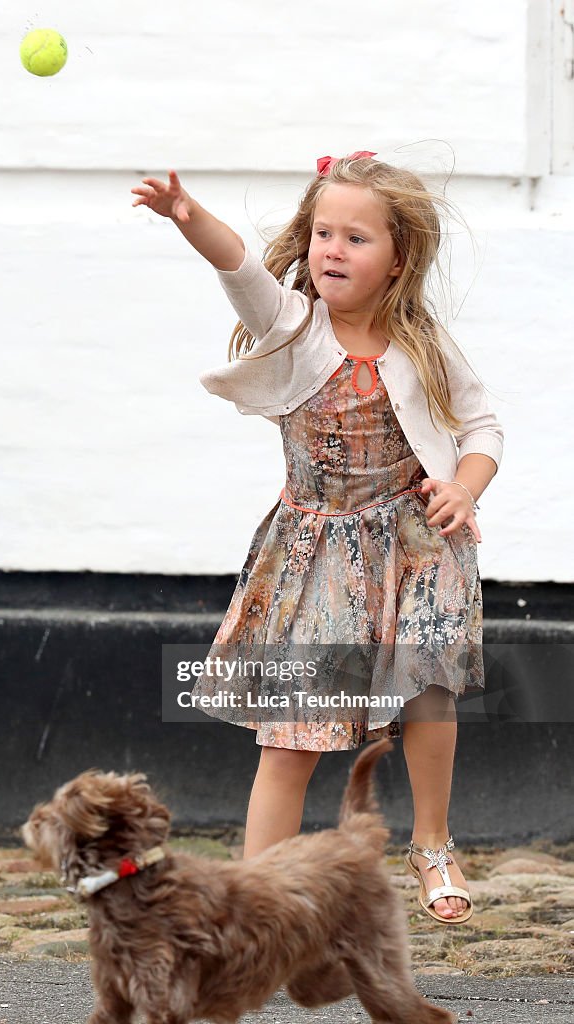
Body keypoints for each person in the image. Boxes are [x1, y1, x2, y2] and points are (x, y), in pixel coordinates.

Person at [131, 153, 504, 925]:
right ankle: (256, 905)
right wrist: (186, 216)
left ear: (398, 259)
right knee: (292, 735)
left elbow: (482, 426)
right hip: (319, 555)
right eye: (322, 233)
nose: (332, 249)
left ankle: (431, 842)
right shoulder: (294, 327)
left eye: (355, 238)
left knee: (429, 687)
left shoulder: (423, 343)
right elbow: (239, 268)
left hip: (416, 545)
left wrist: (462, 486)